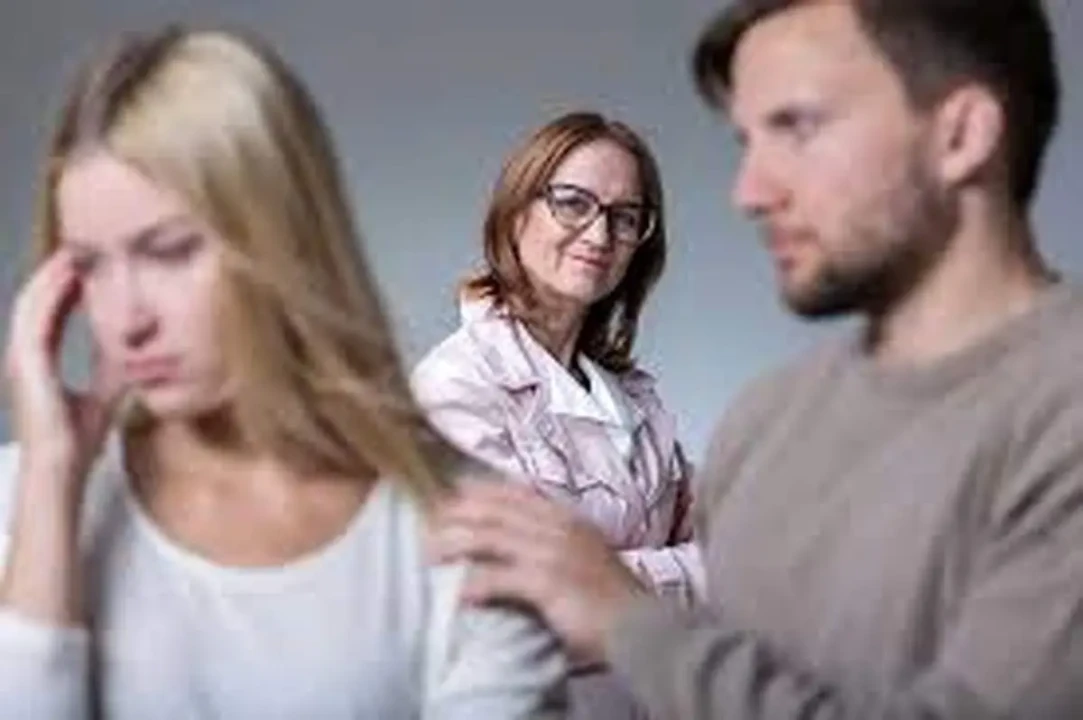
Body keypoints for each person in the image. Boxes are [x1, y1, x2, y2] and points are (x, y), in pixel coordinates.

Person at [429, 0, 1083, 717]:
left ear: (960, 134)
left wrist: (625, 615)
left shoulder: (1061, 413)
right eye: (746, 140)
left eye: (797, 127)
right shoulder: (767, 424)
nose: (747, 192)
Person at [0, 25, 565, 719]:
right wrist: (50, 482)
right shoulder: (23, 504)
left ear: (286, 235)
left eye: (170, 252)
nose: (124, 319)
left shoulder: (472, 535)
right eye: (89, 266)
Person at [412, 111, 702, 718]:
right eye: (573, 203)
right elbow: (514, 608)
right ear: (516, 212)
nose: (600, 233)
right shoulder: (456, 386)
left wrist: (603, 583)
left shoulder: (633, 398)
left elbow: (742, 551)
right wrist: (692, 580)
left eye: (626, 217)